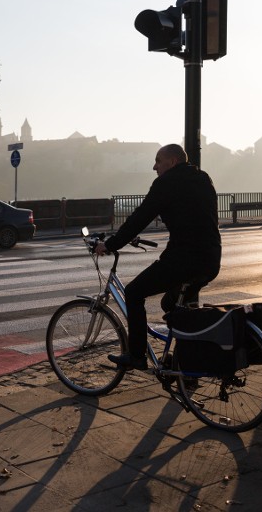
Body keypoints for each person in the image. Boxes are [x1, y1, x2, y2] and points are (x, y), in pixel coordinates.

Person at [95, 143, 222, 371]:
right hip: (211, 259)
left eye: (158, 161)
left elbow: (140, 218)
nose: (154, 167)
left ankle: (136, 355)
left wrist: (110, 245)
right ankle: (186, 365)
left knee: (133, 293)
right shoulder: (203, 178)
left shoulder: (166, 182)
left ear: (172, 162)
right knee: (173, 306)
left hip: (184, 259)